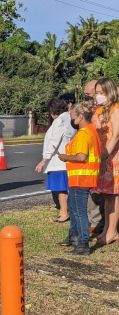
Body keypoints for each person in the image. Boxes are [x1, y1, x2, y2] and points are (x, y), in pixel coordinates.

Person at [58, 101, 101, 255]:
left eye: (73, 117)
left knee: (79, 211)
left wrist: (65, 157)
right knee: (74, 206)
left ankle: (82, 243)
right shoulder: (91, 130)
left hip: (81, 177)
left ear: (81, 117)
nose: (72, 120)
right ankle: (74, 236)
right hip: (83, 176)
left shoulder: (83, 133)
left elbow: (81, 156)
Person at [35, 98, 76, 222]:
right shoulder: (68, 118)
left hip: (58, 160)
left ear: (52, 111)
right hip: (66, 158)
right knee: (63, 188)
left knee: (61, 188)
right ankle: (65, 210)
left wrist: (44, 160)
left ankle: (64, 213)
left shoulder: (59, 121)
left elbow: (54, 141)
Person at [91, 78, 119, 245]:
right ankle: (107, 229)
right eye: (98, 92)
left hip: (112, 157)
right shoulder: (99, 110)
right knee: (107, 195)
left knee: (114, 196)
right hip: (102, 156)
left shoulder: (115, 109)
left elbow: (116, 135)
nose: (99, 95)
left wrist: (105, 155)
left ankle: (112, 231)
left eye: (102, 92)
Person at [84, 80, 105, 234]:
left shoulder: (110, 110)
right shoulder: (94, 109)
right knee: (92, 188)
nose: (90, 96)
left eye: (92, 93)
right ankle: (93, 220)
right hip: (94, 152)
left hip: (105, 154)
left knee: (100, 192)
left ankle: (99, 222)